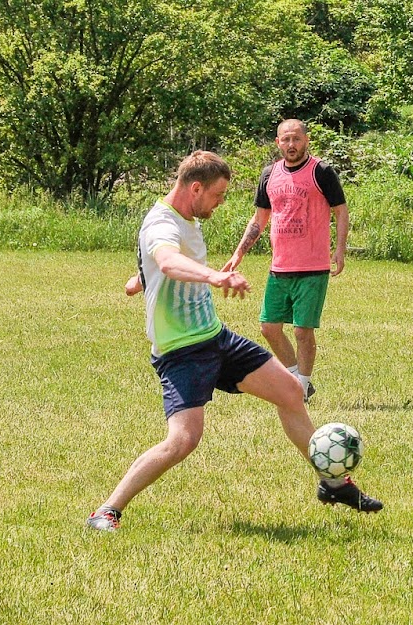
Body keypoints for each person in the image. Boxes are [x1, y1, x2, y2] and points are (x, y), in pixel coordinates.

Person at [87, 151, 381, 532]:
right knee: (183, 440)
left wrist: (140, 279)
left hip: (215, 338)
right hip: (181, 352)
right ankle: (106, 510)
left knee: (291, 392)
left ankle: (333, 483)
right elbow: (167, 261)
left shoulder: (186, 217)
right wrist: (213, 277)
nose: (221, 203)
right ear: (196, 188)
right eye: (218, 195)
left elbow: (163, 263)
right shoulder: (161, 222)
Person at [222, 119, 349, 404]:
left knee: (303, 331)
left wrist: (339, 250)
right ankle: (298, 379)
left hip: (313, 267)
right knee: (269, 327)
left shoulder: (321, 172)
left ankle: (300, 388)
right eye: (285, 140)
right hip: (279, 266)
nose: (291, 145)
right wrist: (238, 253)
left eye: (296, 139)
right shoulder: (269, 174)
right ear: (278, 142)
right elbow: (259, 220)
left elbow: (341, 211)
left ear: (306, 140)